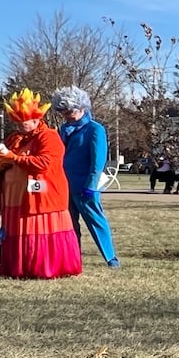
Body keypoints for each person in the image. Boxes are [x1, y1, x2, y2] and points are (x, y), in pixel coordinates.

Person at [0, 88, 83, 279]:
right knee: (16, 231)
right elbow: (9, 158)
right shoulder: (15, 137)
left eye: (23, 123)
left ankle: (42, 267)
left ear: (36, 120)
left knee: (37, 230)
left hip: (41, 196)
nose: (20, 127)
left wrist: (13, 158)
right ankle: (17, 267)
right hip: (14, 196)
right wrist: (1, 163)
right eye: (17, 123)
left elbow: (43, 163)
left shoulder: (49, 136)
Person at [51, 86, 120, 268]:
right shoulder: (62, 129)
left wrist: (91, 185)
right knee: (69, 225)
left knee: (96, 220)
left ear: (82, 108)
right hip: (63, 186)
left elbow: (98, 161)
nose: (66, 115)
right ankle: (73, 257)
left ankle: (110, 256)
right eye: (63, 112)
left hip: (86, 186)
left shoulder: (95, 129)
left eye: (70, 111)